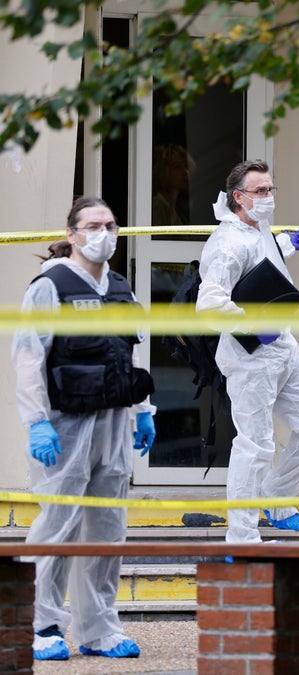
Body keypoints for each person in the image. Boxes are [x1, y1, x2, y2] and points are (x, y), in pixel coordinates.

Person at [13, 196, 157, 660]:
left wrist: (143, 410)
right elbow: (29, 357)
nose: (104, 233)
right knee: (57, 523)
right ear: (72, 234)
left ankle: (99, 628)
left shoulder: (120, 288)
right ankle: (41, 624)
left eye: (111, 225)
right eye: (94, 225)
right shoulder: (49, 287)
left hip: (113, 420)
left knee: (108, 528)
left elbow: (130, 352)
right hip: (65, 422)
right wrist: (36, 422)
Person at [197, 159, 299, 543]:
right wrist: (252, 323)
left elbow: (260, 265)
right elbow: (209, 306)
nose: (268, 197)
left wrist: (285, 246)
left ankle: (274, 495)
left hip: (282, 345)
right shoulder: (226, 244)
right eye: (260, 191)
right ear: (238, 198)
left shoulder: (259, 229)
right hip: (249, 354)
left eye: (271, 189)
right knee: (255, 445)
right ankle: (242, 537)